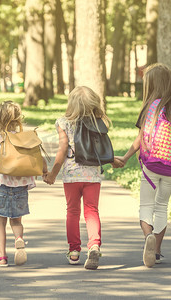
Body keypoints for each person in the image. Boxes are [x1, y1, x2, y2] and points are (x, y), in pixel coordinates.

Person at [115, 63, 171, 267]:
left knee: (146, 205)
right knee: (162, 206)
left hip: (152, 165)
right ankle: (157, 250)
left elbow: (140, 139)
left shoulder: (152, 106)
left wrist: (124, 158)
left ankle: (148, 236)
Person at [44, 86, 120, 270]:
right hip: (92, 175)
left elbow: (62, 150)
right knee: (92, 211)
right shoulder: (99, 122)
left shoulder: (63, 122)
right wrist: (111, 160)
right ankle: (94, 245)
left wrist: (53, 173)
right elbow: (100, 148)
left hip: (71, 176)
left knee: (72, 211)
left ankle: (74, 251)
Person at [0, 101, 47, 267]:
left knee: (0, 221)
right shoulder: (27, 139)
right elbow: (40, 160)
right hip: (21, 187)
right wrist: (45, 171)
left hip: (1, 187)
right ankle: (19, 239)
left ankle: (2, 256)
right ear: (19, 120)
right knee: (16, 221)